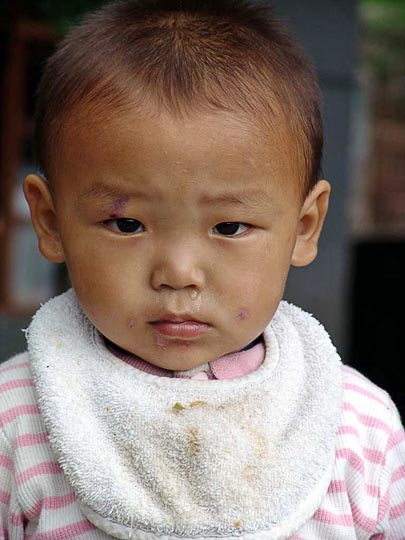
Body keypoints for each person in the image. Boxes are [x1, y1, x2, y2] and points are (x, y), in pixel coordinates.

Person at [1, 0, 404, 538]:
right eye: (127, 226)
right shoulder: (17, 422)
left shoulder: (359, 429)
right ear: (50, 221)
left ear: (305, 227)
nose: (179, 274)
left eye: (230, 228)